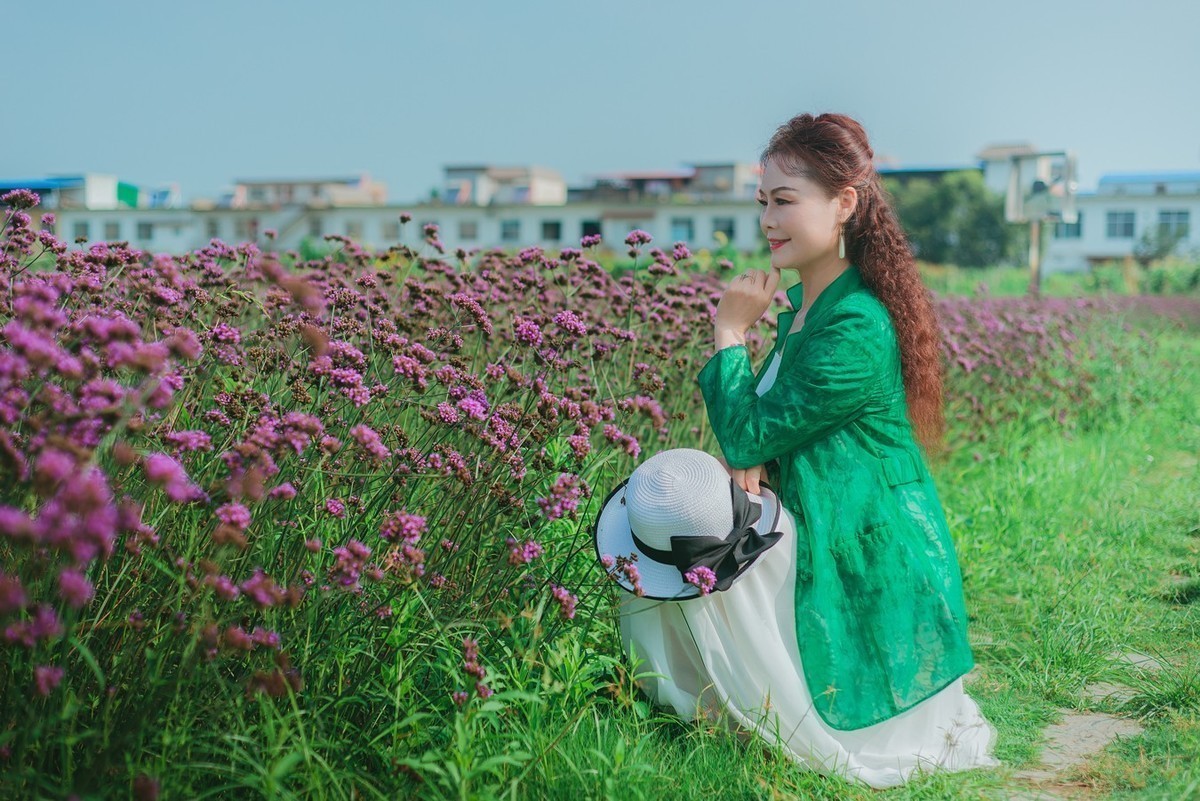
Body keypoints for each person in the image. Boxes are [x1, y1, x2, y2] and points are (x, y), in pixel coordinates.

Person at [611, 112, 999, 789]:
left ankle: (743, 711)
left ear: (844, 203)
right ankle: (712, 705)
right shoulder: (809, 312)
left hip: (864, 539)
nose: (768, 218)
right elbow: (760, 433)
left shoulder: (855, 325)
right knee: (674, 519)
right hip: (820, 512)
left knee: (700, 544)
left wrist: (730, 331)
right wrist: (752, 449)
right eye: (762, 201)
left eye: (786, 200)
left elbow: (749, 433)